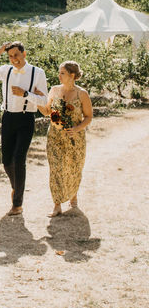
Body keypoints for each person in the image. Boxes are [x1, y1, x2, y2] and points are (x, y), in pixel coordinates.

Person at [0, 41, 48, 215]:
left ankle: (17, 203)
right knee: (6, 161)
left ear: (24, 54)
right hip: (8, 117)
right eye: (10, 56)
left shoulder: (38, 72)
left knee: (19, 159)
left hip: (26, 118)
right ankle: (16, 186)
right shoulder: (6, 70)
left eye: (16, 55)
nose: (14, 59)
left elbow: (44, 101)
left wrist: (26, 94)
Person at [37, 61, 92, 217]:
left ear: (72, 75)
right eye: (59, 72)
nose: (59, 76)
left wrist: (76, 129)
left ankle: (73, 194)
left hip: (75, 136)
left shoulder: (82, 94)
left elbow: (88, 117)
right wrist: (36, 101)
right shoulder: (54, 90)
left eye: (62, 73)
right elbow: (47, 111)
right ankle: (57, 204)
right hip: (55, 136)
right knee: (56, 169)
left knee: (73, 168)